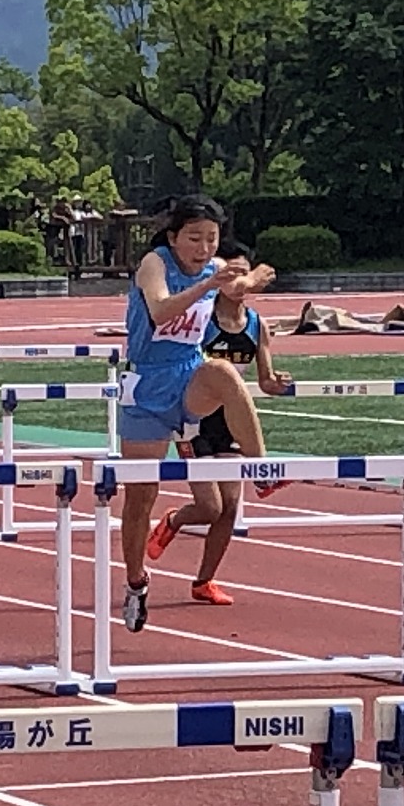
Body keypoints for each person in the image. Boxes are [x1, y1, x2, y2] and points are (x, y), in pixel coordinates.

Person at [117, 195, 276, 632]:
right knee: (140, 496)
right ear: (174, 237)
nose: (204, 248)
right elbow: (162, 309)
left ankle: (261, 467)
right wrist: (209, 284)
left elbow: (239, 289)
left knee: (223, 373)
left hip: (188, 375)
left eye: (211, 239)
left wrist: (256, 274)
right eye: (194, 239)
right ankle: (135, 582)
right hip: (147, 384)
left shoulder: (215, 267)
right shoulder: (155, 263)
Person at [144, 239, 292, 605]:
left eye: (244, 272)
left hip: (230, 424)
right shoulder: (202, 318)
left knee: (229, 507)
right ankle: (174, 521)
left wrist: (277, 384)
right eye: (234, 273)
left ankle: (204, 581)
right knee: (208, 507)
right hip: (196, 420)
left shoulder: (257, 324)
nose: (240, 283)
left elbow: (264, 379)